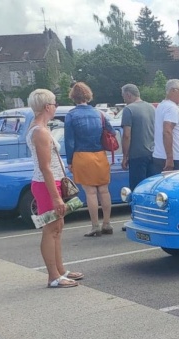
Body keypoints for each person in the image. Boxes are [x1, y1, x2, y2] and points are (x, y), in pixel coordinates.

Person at [26, 89, 84, 288]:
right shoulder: (40, 131)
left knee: (57, 227)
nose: (55, 107)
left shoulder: (40, 128)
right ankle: (53, 276)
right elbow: (45, 167)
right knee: (51, 229)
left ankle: (60, 270)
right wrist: (56, 197)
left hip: (50, 182)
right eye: (54, 103)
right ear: (47, 106)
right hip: (46, 184)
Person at [65, 82, 114, 237]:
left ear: (73, 97)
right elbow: (111, 131)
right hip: (100, 155)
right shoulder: (100, 114)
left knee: (91, 193)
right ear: (88, 95)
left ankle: (95, 226)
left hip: (82, 156)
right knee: (104, 191)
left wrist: (70, 161)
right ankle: (107, 223)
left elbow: (69, 141)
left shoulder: (71, 115)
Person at [119, 84, 158, 189]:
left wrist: (125, 156)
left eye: (123, 96)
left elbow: (127, 135)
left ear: (128, 95)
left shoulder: (129, 109)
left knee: (138, 188)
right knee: (152, 187)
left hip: (137, 155)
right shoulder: (151, 108)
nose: (124, 99)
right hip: (153, 153)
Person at [154, 79, 179, 172]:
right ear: (173, 90)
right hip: (176, 159)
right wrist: (170, 158)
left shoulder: (162, 105)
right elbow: (167, 131)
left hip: (163, 156)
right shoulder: (171, 107)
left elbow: (176, 134)